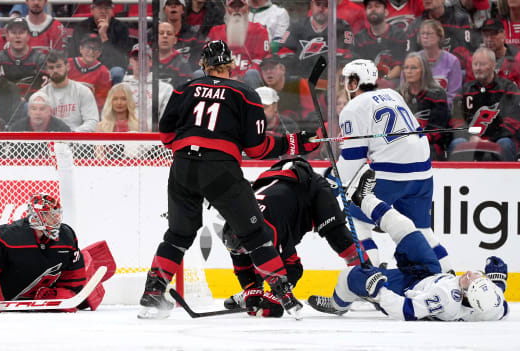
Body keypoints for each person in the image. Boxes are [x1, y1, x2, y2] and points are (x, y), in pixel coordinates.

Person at [137, 40, 320, 320]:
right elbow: (257, 149)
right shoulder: (245, 93)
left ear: (203, 64)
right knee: (255, 235)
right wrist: (293, 142)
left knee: (178, 234)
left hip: (183, 167)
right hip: (220, 169)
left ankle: (152, 294)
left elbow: (165, 136)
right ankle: (285, 295)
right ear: (230, 66)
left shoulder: (183, 89)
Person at [309, 171, 509, 322]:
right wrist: (499, 281)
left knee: (350, 276)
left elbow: (406, 311)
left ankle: (337, 305)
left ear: (465, 296)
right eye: (478, 278)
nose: (470, 275)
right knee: (407, 228)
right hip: (430, 273)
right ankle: (364, 199)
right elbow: (500, 303)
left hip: (405, 287)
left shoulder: (444, 299)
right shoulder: (493, 304)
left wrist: (379, 291)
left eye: (470, 282)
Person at [335, 58, 452, 273]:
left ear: (353, 82)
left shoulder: (351, 108)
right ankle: (450, 281)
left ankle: (370, 283)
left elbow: (354, 159)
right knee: (422, 230)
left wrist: (332, 182)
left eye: (347, 80)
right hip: (423, 174)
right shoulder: (393, 95)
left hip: (392, 173)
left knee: (356, 221)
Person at [220, 157, 370, 317]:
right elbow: (242, 265)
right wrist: (252, 293)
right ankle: (258, 291)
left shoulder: (271, 229)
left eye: (243, 249)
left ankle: (368, 278)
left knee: (338, 237)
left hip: (311, 190)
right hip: (282, 192)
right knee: (257, 254)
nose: (242, 252)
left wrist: (275, 298)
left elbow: (293, 267)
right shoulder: (238, 227)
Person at [0, 194, 88, 312]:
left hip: (38, 293)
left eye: (57, 214)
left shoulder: (67, 235)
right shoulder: (8, 235)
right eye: (49, 215)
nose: (56, 220)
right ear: (36, 216)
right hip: (4, 295)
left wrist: (64, 293)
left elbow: (74, 271)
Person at [449, 47, 520, 161]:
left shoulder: (508, 88)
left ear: (493, 65)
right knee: (457, 143)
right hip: (471, 139)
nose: (478, 68)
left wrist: (491, 140)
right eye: (475, 64)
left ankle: (505, 179)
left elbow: (513, 121)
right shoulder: (464, 90)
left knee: (505, 143)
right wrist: (470, 137)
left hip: (499, 139)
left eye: (482, 64)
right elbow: (457, 120)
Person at [279, 0, 354, 81]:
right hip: (299, 83)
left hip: (329, 84)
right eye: (318, 4)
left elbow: (344, 58)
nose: (321, 9)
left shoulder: (343, 29)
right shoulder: (296, 27)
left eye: (326, 5)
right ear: (311, 5)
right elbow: (284, 55)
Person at [206, 0, 271, 88]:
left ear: (248, 9)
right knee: (199, 73)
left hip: (246, 81)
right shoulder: (215, 31)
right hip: (220, 81)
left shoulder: (259, 30)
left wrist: (239, 77)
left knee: (252, 74)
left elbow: (260, 63)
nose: (237, 10)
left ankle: (251, 102)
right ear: (226, 10)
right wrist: (225, 79)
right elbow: (209, 62)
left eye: (240, 6)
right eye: (233, 6)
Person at [399, 52, 451, 160]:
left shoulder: (437, 94)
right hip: (403, 145)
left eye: (413, 68)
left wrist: (415, 141)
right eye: (406, 67)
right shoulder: (398, 95)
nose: (409, 71)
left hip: (430, 145)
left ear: (424, 71)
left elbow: (438, 130)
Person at [68, 0, 132, 85]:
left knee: (117, 71)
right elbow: (73, 54)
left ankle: (115, 98)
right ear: (92, 10)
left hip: (109, 68)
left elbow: (120, 61)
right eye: (99, 7)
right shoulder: (81, 27)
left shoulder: (121, 28)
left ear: (112, 10)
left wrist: (103, 35)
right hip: (85, 67)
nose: (103, 11)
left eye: (107, 7)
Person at [38, 50, 99, 132]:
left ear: (67, 67)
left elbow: (92, 121)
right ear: (47, 70)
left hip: (77, 140)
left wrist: (71, 135)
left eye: (59, 66)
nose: (55, 71)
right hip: (50, 140)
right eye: (51, 68)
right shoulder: (41, 95)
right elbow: (37, 125)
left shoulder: (83, 91)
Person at [406, 0, 475, 70]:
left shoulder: (460, 19)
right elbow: (410, 57)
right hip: (424, 72)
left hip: (453, 69)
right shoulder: (415, 25)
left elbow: (466, 52)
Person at [353, 0, 407, 87]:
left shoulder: (398, 34)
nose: (373, 9)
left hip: (392, 84)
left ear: (386, 12)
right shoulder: (359, 38)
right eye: (369, 7)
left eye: (377, 6)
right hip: (367, 84)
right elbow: (357, 67)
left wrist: (384, 80)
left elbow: (400, 67)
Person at [122, 44, 174, 127]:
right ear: (130, 62)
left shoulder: (165, 89)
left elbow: (168, 119)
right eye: (136, 59)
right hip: (126, 135)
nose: (139, 63)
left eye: (143, 59)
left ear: (150, 62)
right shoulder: (121, 88)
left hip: (153, 137)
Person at [417, 19, 463, 106]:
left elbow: (454, 94)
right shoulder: (413, 60)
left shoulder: (452, 61)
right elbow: (406, 90)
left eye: (429, 33)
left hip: (443, 110)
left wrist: (440, 108)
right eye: (423, 33)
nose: (425, 36)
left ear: (439, 36)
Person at [0, 17, 47, 99]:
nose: (17, 36)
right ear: (7, 36)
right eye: (13, 32)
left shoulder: (40, 59)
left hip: (33, 104)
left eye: (21, 32)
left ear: (28, 35)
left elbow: (44, 89)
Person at [465, 17, 520, 87]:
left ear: (504, 35)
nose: (489, 39)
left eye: (493, 34)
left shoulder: (517, 59)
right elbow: (469, 88)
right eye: (486, 35)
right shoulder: (474, 60)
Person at [67, 33, 112, 112]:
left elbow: (101, 101)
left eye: (95, 49)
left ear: (100, 52)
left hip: (88, 112)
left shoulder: (103, 72)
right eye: (88, 48)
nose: (91, 52)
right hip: (66, 108)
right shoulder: (67, 64)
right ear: (81, 49)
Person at [161, 0, 204, 71]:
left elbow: (198, 62)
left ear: (183, 10)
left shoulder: (195, 36)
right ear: (164, 10)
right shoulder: (155, 35)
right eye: (169, 4)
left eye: (177, 4)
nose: (173, 6)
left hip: (188, 76)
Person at [157, 21, 193, 88]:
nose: (165, 36)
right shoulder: (146, 61)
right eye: (161, 33)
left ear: (175, 40)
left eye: (169, 34)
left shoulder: (182, 64)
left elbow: (184, 93)